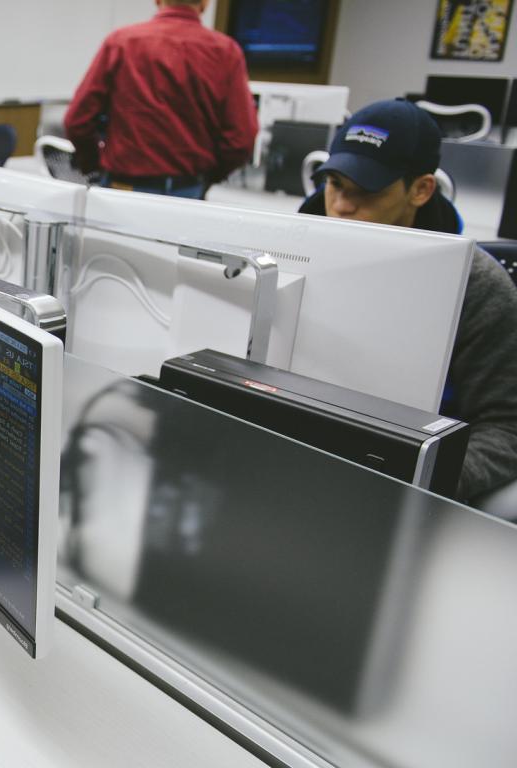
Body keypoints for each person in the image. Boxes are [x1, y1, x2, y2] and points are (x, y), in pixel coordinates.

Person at [297, 98, 517, 504]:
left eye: (365, 191)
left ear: (421, 189)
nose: (342, 207)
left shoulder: (477, 286)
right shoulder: (290, 255)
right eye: (335, 185)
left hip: (400, 489)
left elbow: (505, 429)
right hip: (301, 461)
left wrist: (418, 484)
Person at [64, 0, 257, 199]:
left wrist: (94, 164)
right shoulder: (226, 52)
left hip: (121, 188)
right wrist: (208, 177)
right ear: (206, 3)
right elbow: (241, 140)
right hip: (187, 192)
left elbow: (77, 121)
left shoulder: (120, 42)